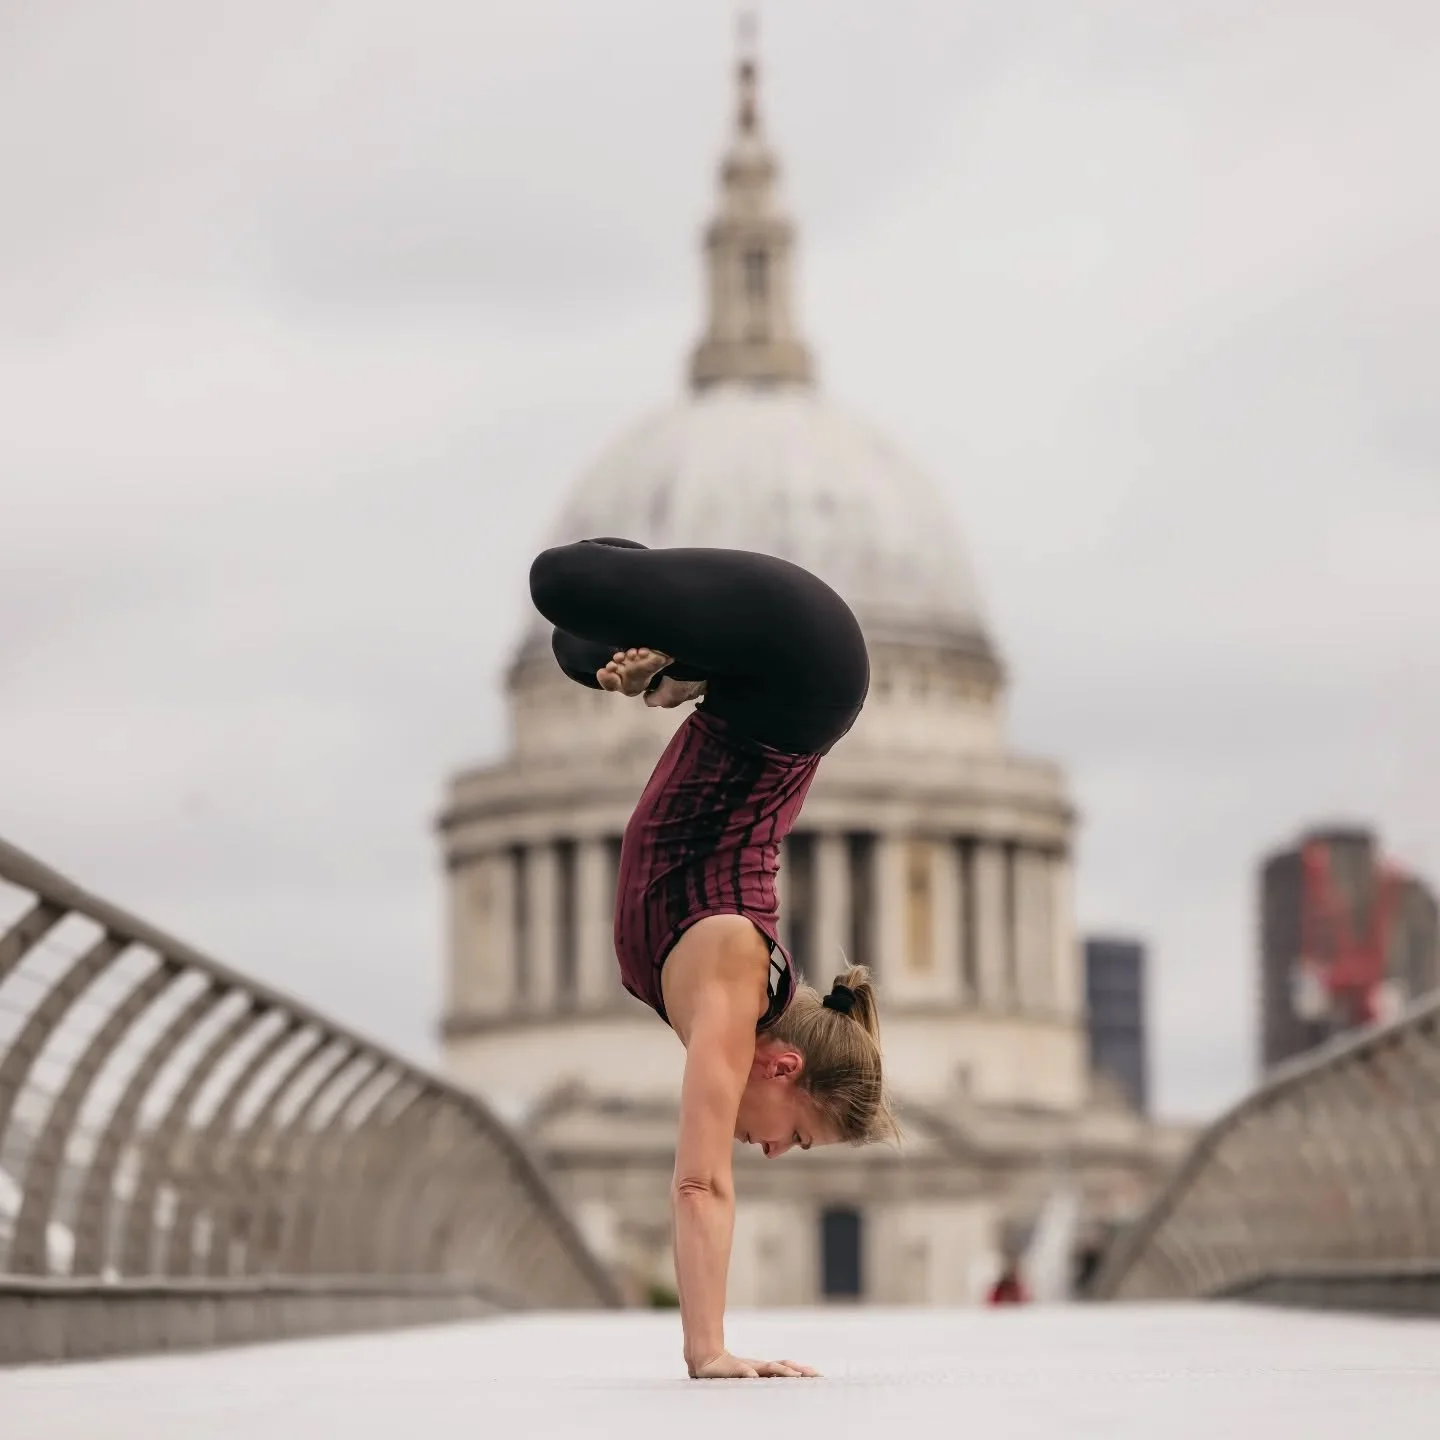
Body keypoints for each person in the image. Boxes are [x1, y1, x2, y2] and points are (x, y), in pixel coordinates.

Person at [529, 537, 895, 1380]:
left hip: (763, 692)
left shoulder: (728, 996)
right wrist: (710, 1352)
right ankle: (683, 666)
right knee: (560, 582)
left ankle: (678, 670)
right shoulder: (734, 990)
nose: (770, 1153)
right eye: (796, 1138)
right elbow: (700, 1187)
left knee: (578, 649)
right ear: (786, 1066)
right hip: (804, 664)